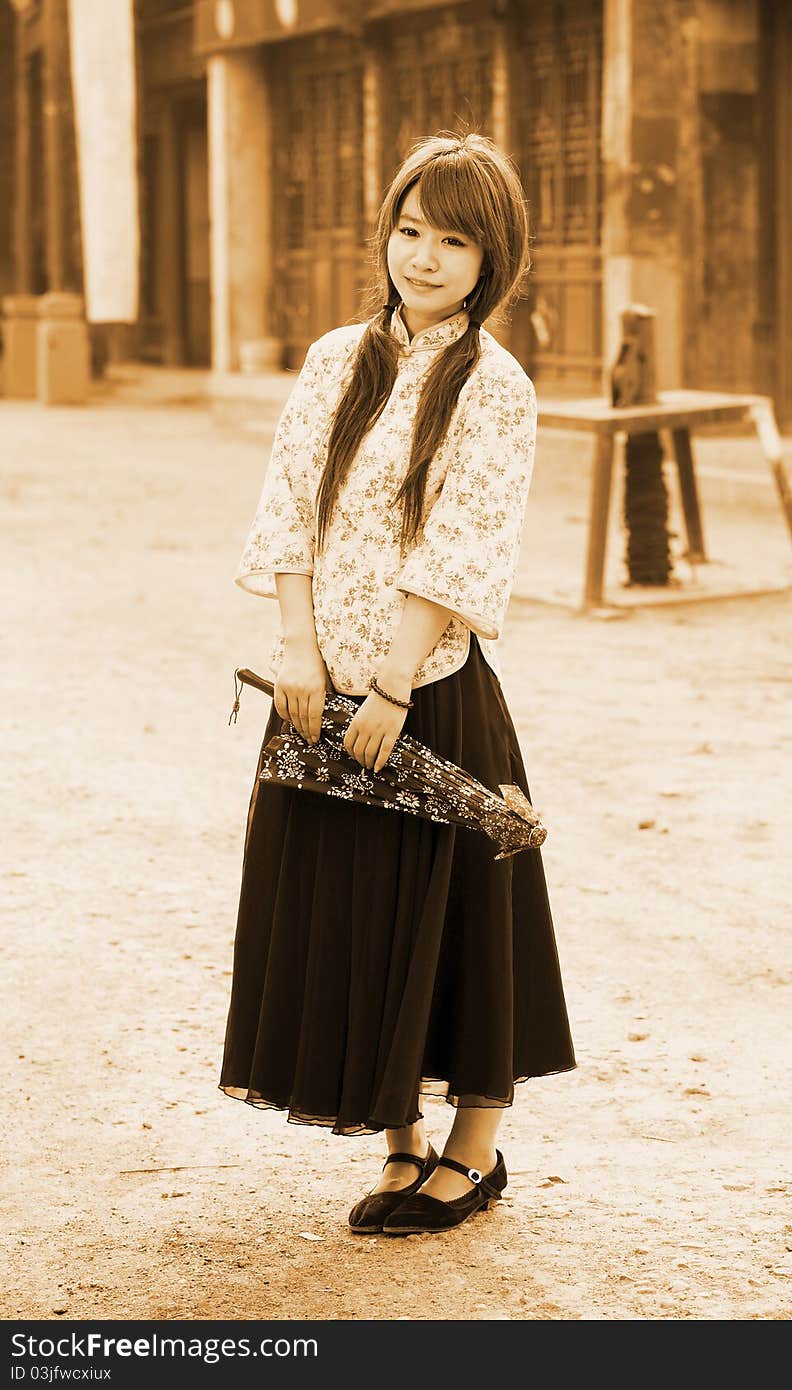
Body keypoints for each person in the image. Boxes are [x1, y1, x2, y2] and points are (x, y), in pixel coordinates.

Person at [219, 131, 576, 1236]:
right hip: (313, 686)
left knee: (457, 912)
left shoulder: (495, 385)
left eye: (453, 239)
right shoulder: (335, 357)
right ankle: (399, 1140)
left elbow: (459, 543)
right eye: (410, 229)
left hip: (430, 692)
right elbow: (289, 506)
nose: (421, 256)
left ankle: (473, 1149)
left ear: (491, 258)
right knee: (354, 908)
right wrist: (297, 649)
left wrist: (389, 685)